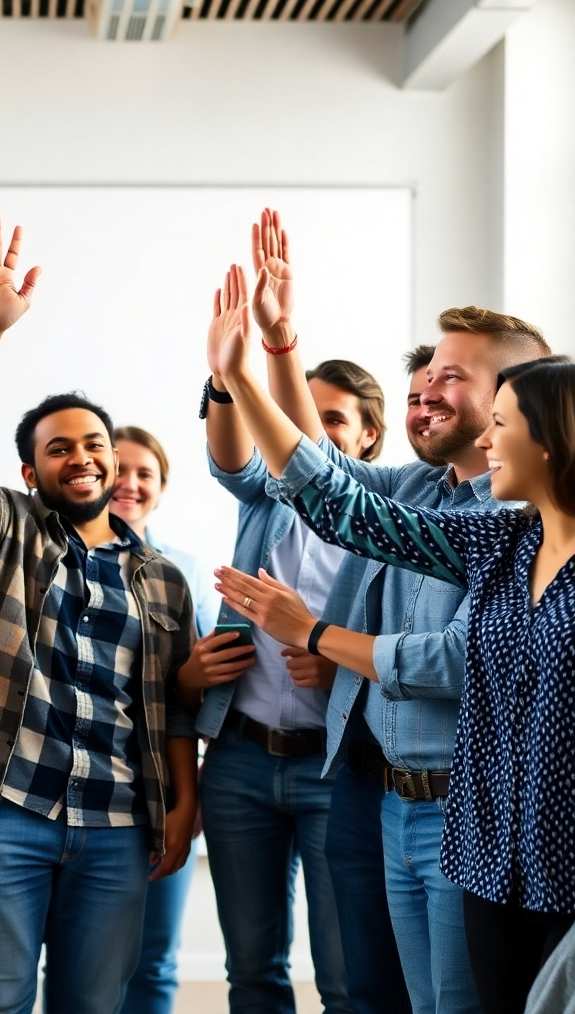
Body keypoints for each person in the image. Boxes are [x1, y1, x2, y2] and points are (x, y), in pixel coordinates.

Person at [210, 297, 575, 1014]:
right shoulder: (500, 542)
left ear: (552, 437)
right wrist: (251, 375)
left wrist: (315, 633)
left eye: (502, 422)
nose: (490, 442)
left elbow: (456, 660)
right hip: (481, 830)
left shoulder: (504, 526)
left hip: (536, 836)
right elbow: (337, 499)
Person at [0, 210, 199, 1014]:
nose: (82, 458)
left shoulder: (163, 580)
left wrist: (181, 806)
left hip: (116, 821)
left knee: (94, 1006)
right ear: (30, 471)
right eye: (59, 449)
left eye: (94, 444)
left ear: (116, 457)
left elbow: (174, 710)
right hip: (2, 807)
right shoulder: (5, 531)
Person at [182, 256, 383, 1014]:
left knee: (344, 973)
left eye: (331, 419)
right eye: (304, 412)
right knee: (254, 972)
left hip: (338, 765)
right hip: (240, 761)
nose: (307, 430)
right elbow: (230, 453)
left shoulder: (386, 523)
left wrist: (339, 670)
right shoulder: (266, 497)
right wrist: (226, 377)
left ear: (367, 439)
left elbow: (404, 653)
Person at [110, 425, 215, 1014]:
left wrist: (187, 794)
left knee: (154, 959)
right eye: (119, 469)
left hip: (163, 782)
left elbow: (190, 693)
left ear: (162, 487)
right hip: (89, 782)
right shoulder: (51, 559)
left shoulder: (187, 570)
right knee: (78, 955)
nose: (129, 483)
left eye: (144, 473)